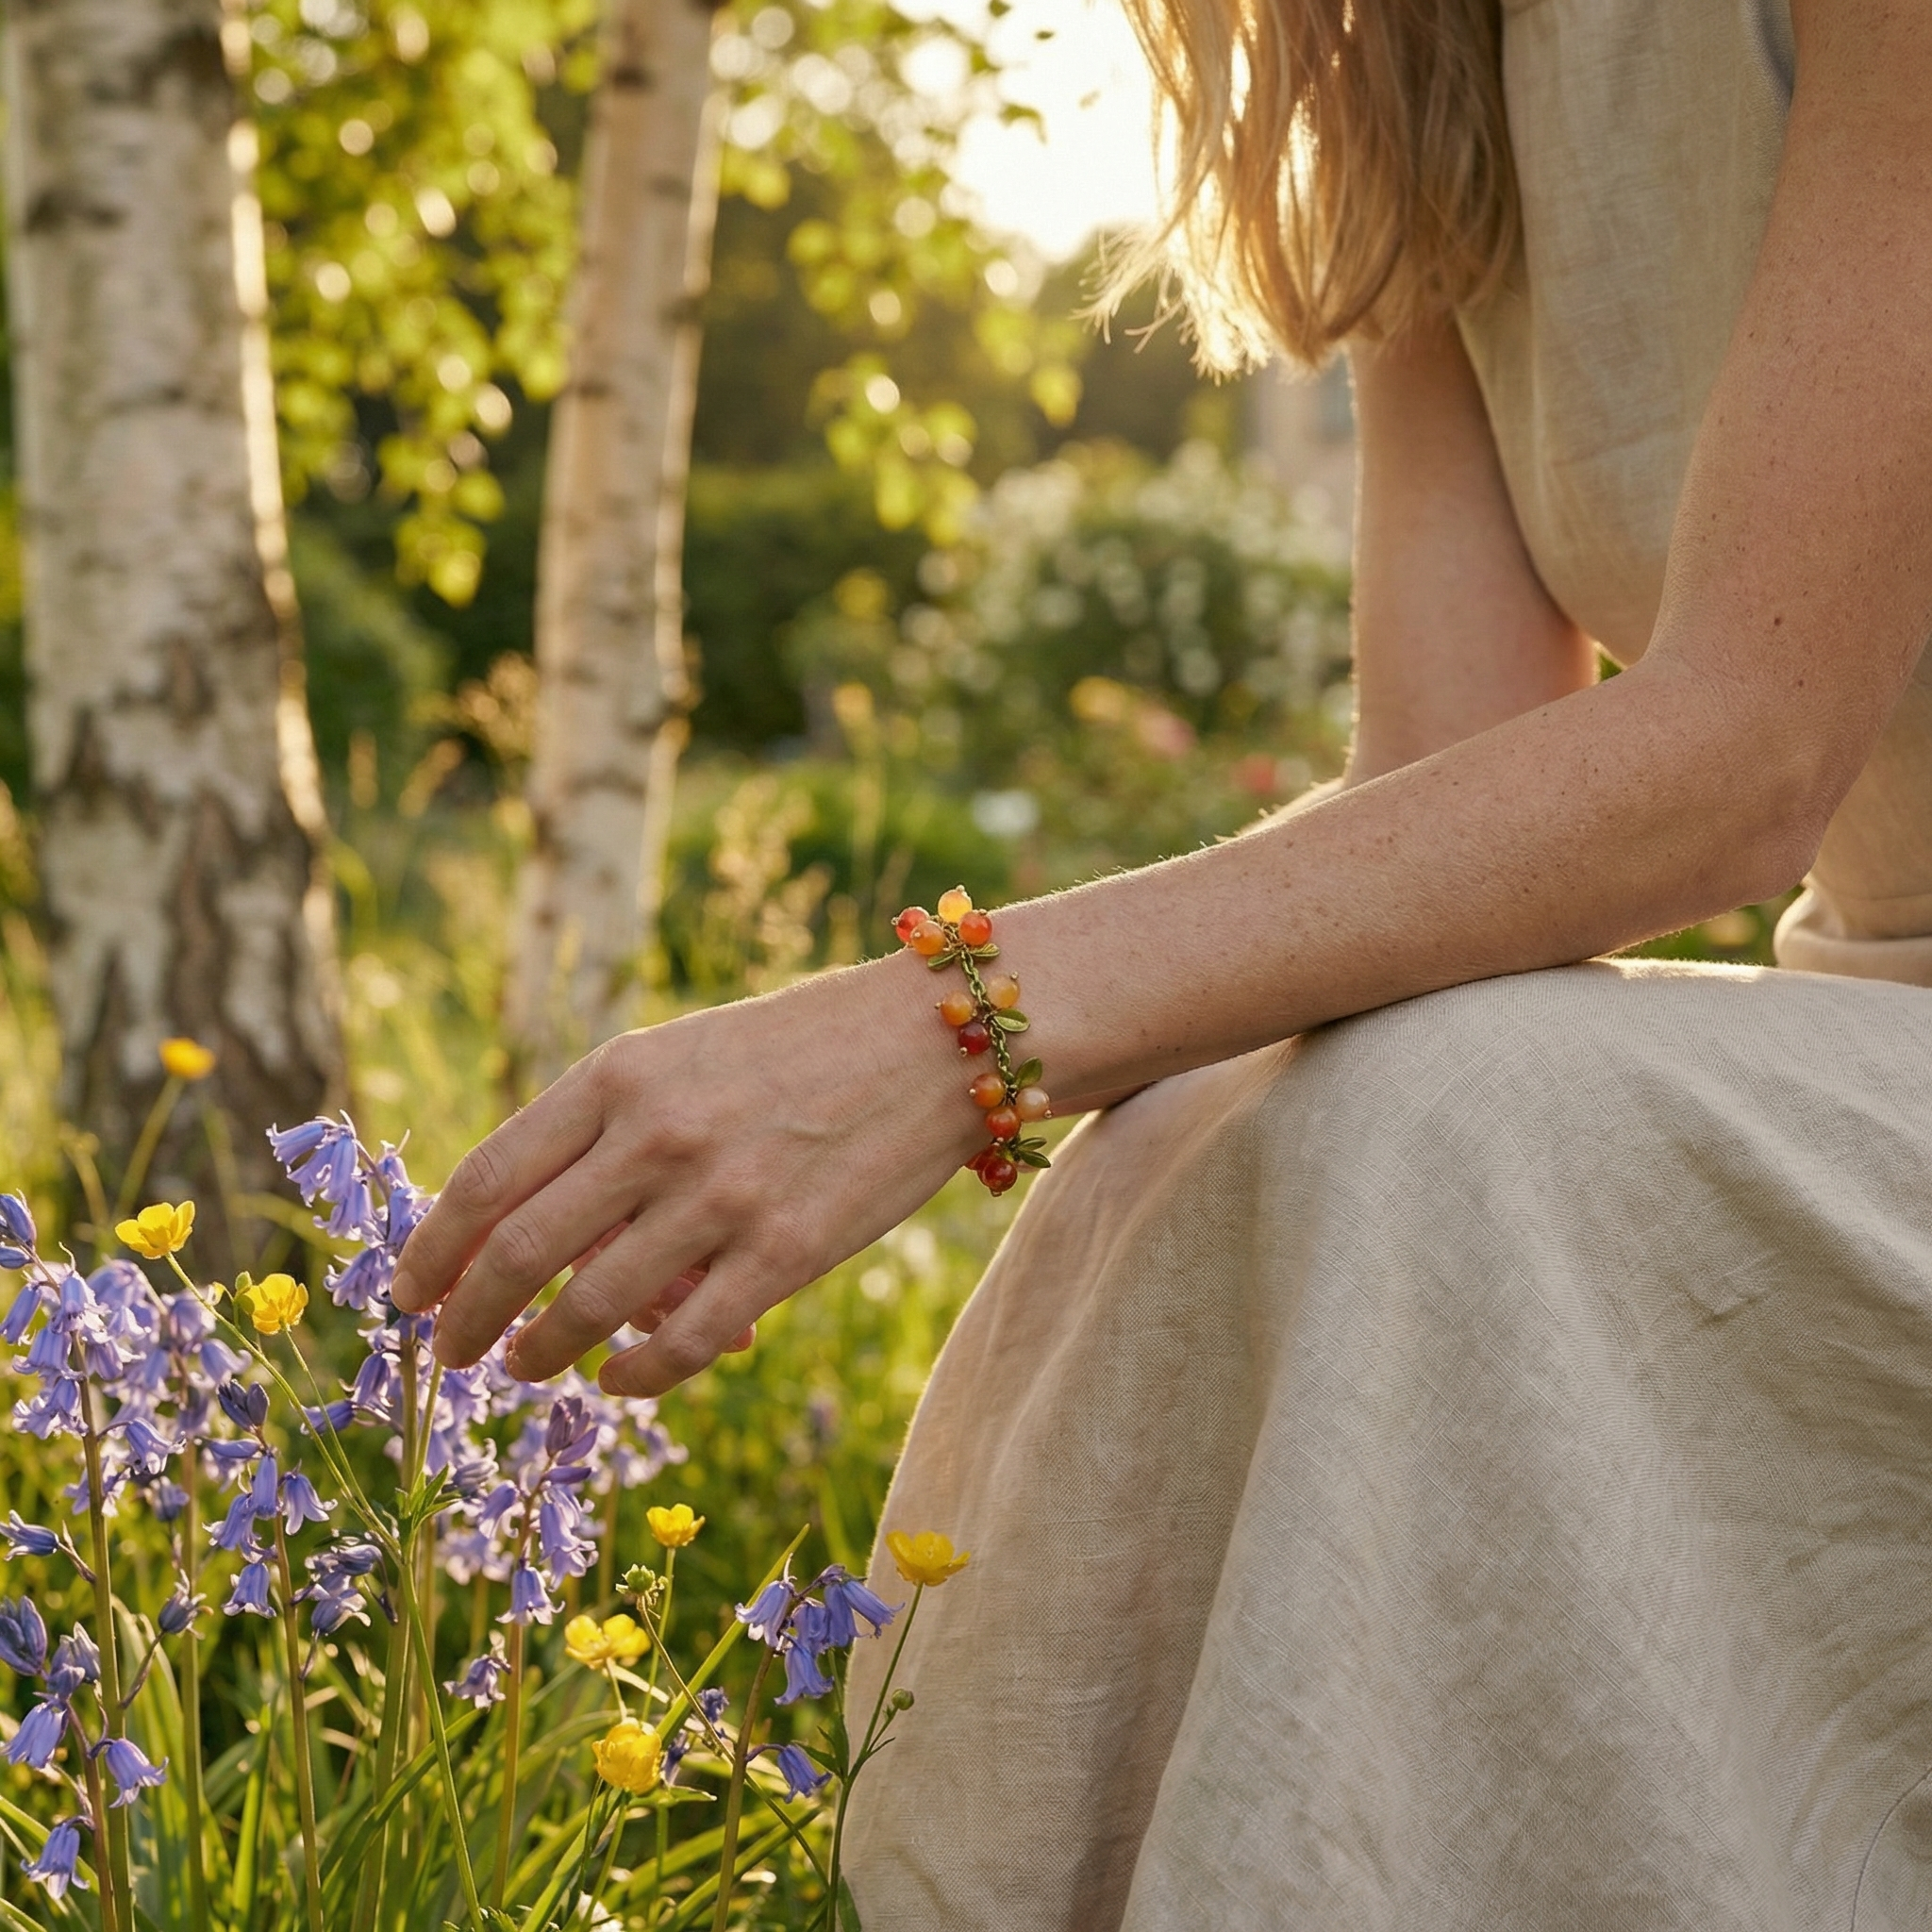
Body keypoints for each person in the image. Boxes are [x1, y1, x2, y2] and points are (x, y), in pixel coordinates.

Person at [392, 0, 1932, 1920]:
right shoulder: (1410, 49)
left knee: (1464, 1121)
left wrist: (956, 1024)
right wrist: (1042, 1045)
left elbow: (1741, 755)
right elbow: (1448, 802)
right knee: (1210, 1123)